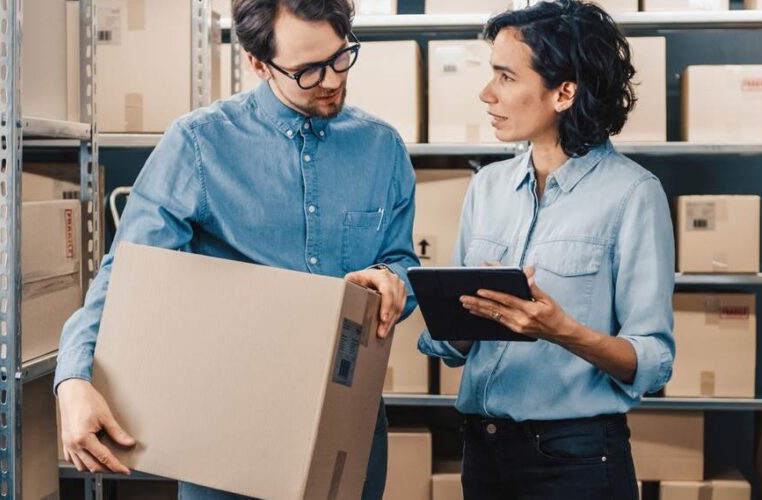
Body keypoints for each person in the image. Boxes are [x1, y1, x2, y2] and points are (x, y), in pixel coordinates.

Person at [54, 1, 419, 498]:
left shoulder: (384, 149)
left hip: (349, 423)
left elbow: (401, 260)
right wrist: (73, 378)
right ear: (257, 62)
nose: (332, 79)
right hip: (229, 434)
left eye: (340, 57)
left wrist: (391, 280)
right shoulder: (200, 145)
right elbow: (126, 277)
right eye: (308, 70)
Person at [417, 2, 676, 499]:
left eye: (506, 77)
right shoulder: (487, 186)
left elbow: (653, 359)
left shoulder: (633, 194)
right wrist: (463, 320)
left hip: (573, 459)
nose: (486, 93)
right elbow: (454, 345)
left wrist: (563, 332)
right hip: (482, 449)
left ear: (564, 92)